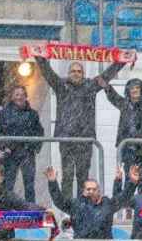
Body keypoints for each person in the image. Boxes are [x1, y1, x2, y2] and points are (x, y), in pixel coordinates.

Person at [38, 58, 125, 204]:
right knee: (67, 175)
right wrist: (40, 58)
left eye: (79, 71)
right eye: (73, 71)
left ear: (83, 74)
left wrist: (122, 61)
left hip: (85, 139)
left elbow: (107, 75)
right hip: (66, 139)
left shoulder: (90, 86)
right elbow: (48, 73)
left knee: (83, 176)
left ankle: (82, 206)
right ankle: (67, 208)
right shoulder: (61, 86)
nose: (76, 74)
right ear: (68, 73)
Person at [46, 164, 132, 241]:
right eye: (88, 189)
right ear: (83, 191)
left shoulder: (107, 204)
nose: (91, 191)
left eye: (94, 189)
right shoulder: (75, 204)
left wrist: (132, 183)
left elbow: (123, 198)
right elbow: (59, 200)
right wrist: (52, 182)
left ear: (99, 191)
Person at [101, 71, 142, 188]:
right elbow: (113, 97)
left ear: (141, 90)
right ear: (128, 91)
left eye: (137, 88)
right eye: (131, 88)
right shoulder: (124, 104)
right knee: (129, 180)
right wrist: (106, 86)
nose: (134, 90)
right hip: (128, 148)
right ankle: (127, 204)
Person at [0, 84, 43, 204]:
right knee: (8, 184)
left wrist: (35, 147)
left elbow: (39, 131)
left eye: (22, 94)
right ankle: (5, 209)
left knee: (29, 186)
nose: (19, 97)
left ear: (26, 97)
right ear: (12, 97)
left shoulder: (33, 114)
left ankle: (31, 211)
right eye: (17, 94)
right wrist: (5, 146)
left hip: (27, 152)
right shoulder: (4, 113)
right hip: (11, 153)